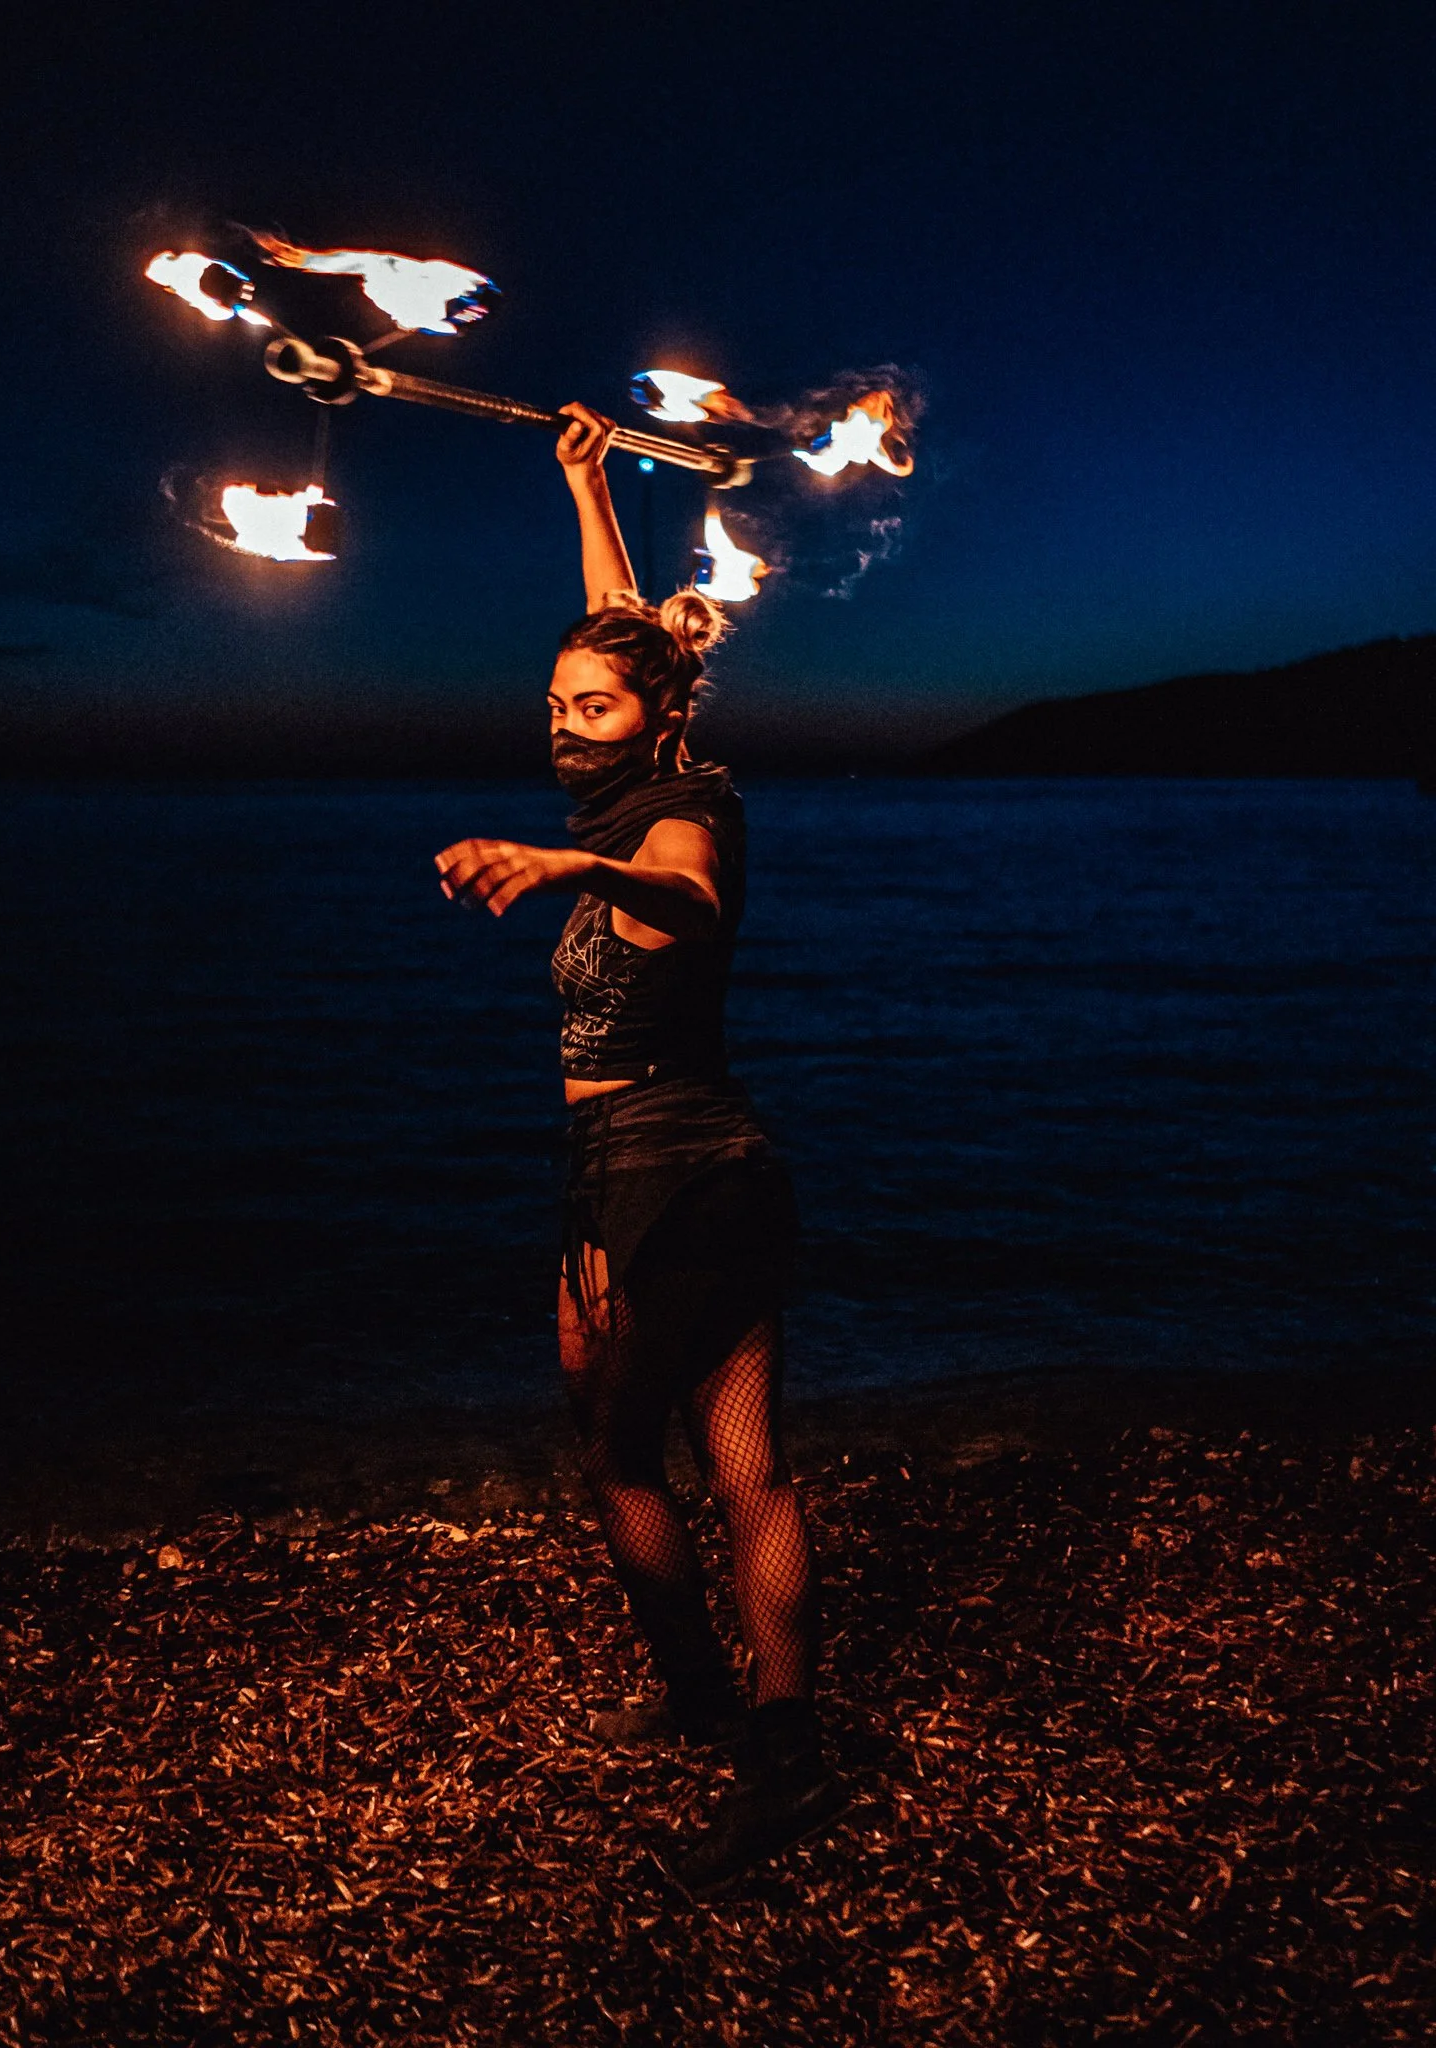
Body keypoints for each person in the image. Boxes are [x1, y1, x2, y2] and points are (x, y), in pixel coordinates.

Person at [432, 403, 848, 1894]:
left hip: (663, 1181)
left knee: (622, 1456)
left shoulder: (677, 822)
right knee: (744, 1464)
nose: (563, 721)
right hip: (709, 1170)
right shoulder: (650, 770)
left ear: (658, 720)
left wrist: (566, 866)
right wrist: (589, 481)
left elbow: (689, 901)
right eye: (555, 702)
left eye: (592, 708)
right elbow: (622, 624)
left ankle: (728, 1719)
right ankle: (772, 1730)